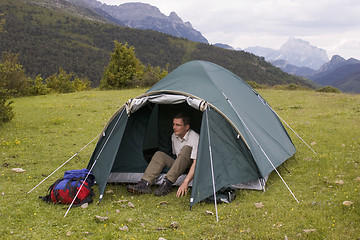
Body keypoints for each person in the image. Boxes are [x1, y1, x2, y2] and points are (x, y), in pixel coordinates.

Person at [127, 112, 199, 197]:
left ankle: (167, 184)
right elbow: (176, 156)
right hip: (179, 164)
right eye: (173, 124)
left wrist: (186, 182)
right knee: (159, 155)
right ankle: (145, 184)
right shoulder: (174, 136)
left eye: (178, 125)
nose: (174, 127)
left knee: (186, 149)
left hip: (191, 166)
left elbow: (196, 162)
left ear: (186, 127)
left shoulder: (195, 137)